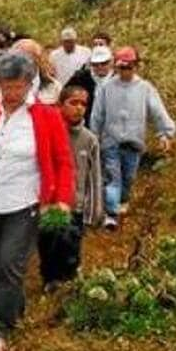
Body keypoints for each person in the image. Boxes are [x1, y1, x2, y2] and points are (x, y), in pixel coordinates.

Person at [0, 53, 74, 351]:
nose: (11, 93)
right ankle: (15, 306)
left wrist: (62, 200)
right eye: (5, 86)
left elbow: (63, 161)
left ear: (29, 84)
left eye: (17, 86)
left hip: (24, 201)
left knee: (9, 265)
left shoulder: (47, 117)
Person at [89, 46, 176, 228]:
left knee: (128, 178)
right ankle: (111, 214)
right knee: (113, 178)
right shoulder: (106, 88)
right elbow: (97, 115)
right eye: (121, 68)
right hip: (110, 141)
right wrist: (94, 137)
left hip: (134, 142)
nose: (125, 72)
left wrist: (165, 133)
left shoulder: (145, 88)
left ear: (136, 66)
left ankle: (122, 201)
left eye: (129, 67)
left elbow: (157, 112)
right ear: (116, 67)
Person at [39, 85, 104, 288]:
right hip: (52, 202)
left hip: (76, 205)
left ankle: (69, 280)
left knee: (71, 244)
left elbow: (94, 177)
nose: (79, 108)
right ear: (61, 104)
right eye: (73, 102)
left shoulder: (89, 140)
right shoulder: (48, 132)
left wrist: (93, 211)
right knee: (51, 240)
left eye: (83, 104)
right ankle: (51, 278)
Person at [0, 39, 62, 105]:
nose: (20, 62)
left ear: (38, 59)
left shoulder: (54, 87)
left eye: (27, 56)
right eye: (16, 56)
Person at [65, 44, 114, 125]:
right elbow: (66, 96)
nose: (99, 67)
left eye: (104, 63)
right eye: (95, 64)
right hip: (84, 124)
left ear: (111, 62)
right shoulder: (80, 78)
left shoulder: (118, 80)